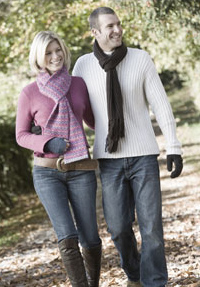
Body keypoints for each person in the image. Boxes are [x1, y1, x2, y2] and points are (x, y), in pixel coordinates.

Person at [72, 7, 183, 287]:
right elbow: (72, 108)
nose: (117, 30)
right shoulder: (83, 66)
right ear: (95, 32)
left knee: (152, 229)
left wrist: (174, 146)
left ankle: (154, 281)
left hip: (143, 156)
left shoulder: (140, 59)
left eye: (119, 24)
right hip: (108, 160)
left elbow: (161, 104)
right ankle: (134, 274)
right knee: (119, 229)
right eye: (110, 26)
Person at [15, 31, 102, 287]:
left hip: (81, 169)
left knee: (91, 237)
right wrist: (46, 143)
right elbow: (20, 135)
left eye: (58, 50)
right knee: (67, 236)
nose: (55, 56)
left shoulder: (78, 84)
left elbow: (93, 121)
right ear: (39, 58)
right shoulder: (29, 93)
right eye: (48, 53)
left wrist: (116, 128)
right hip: (47, 172)